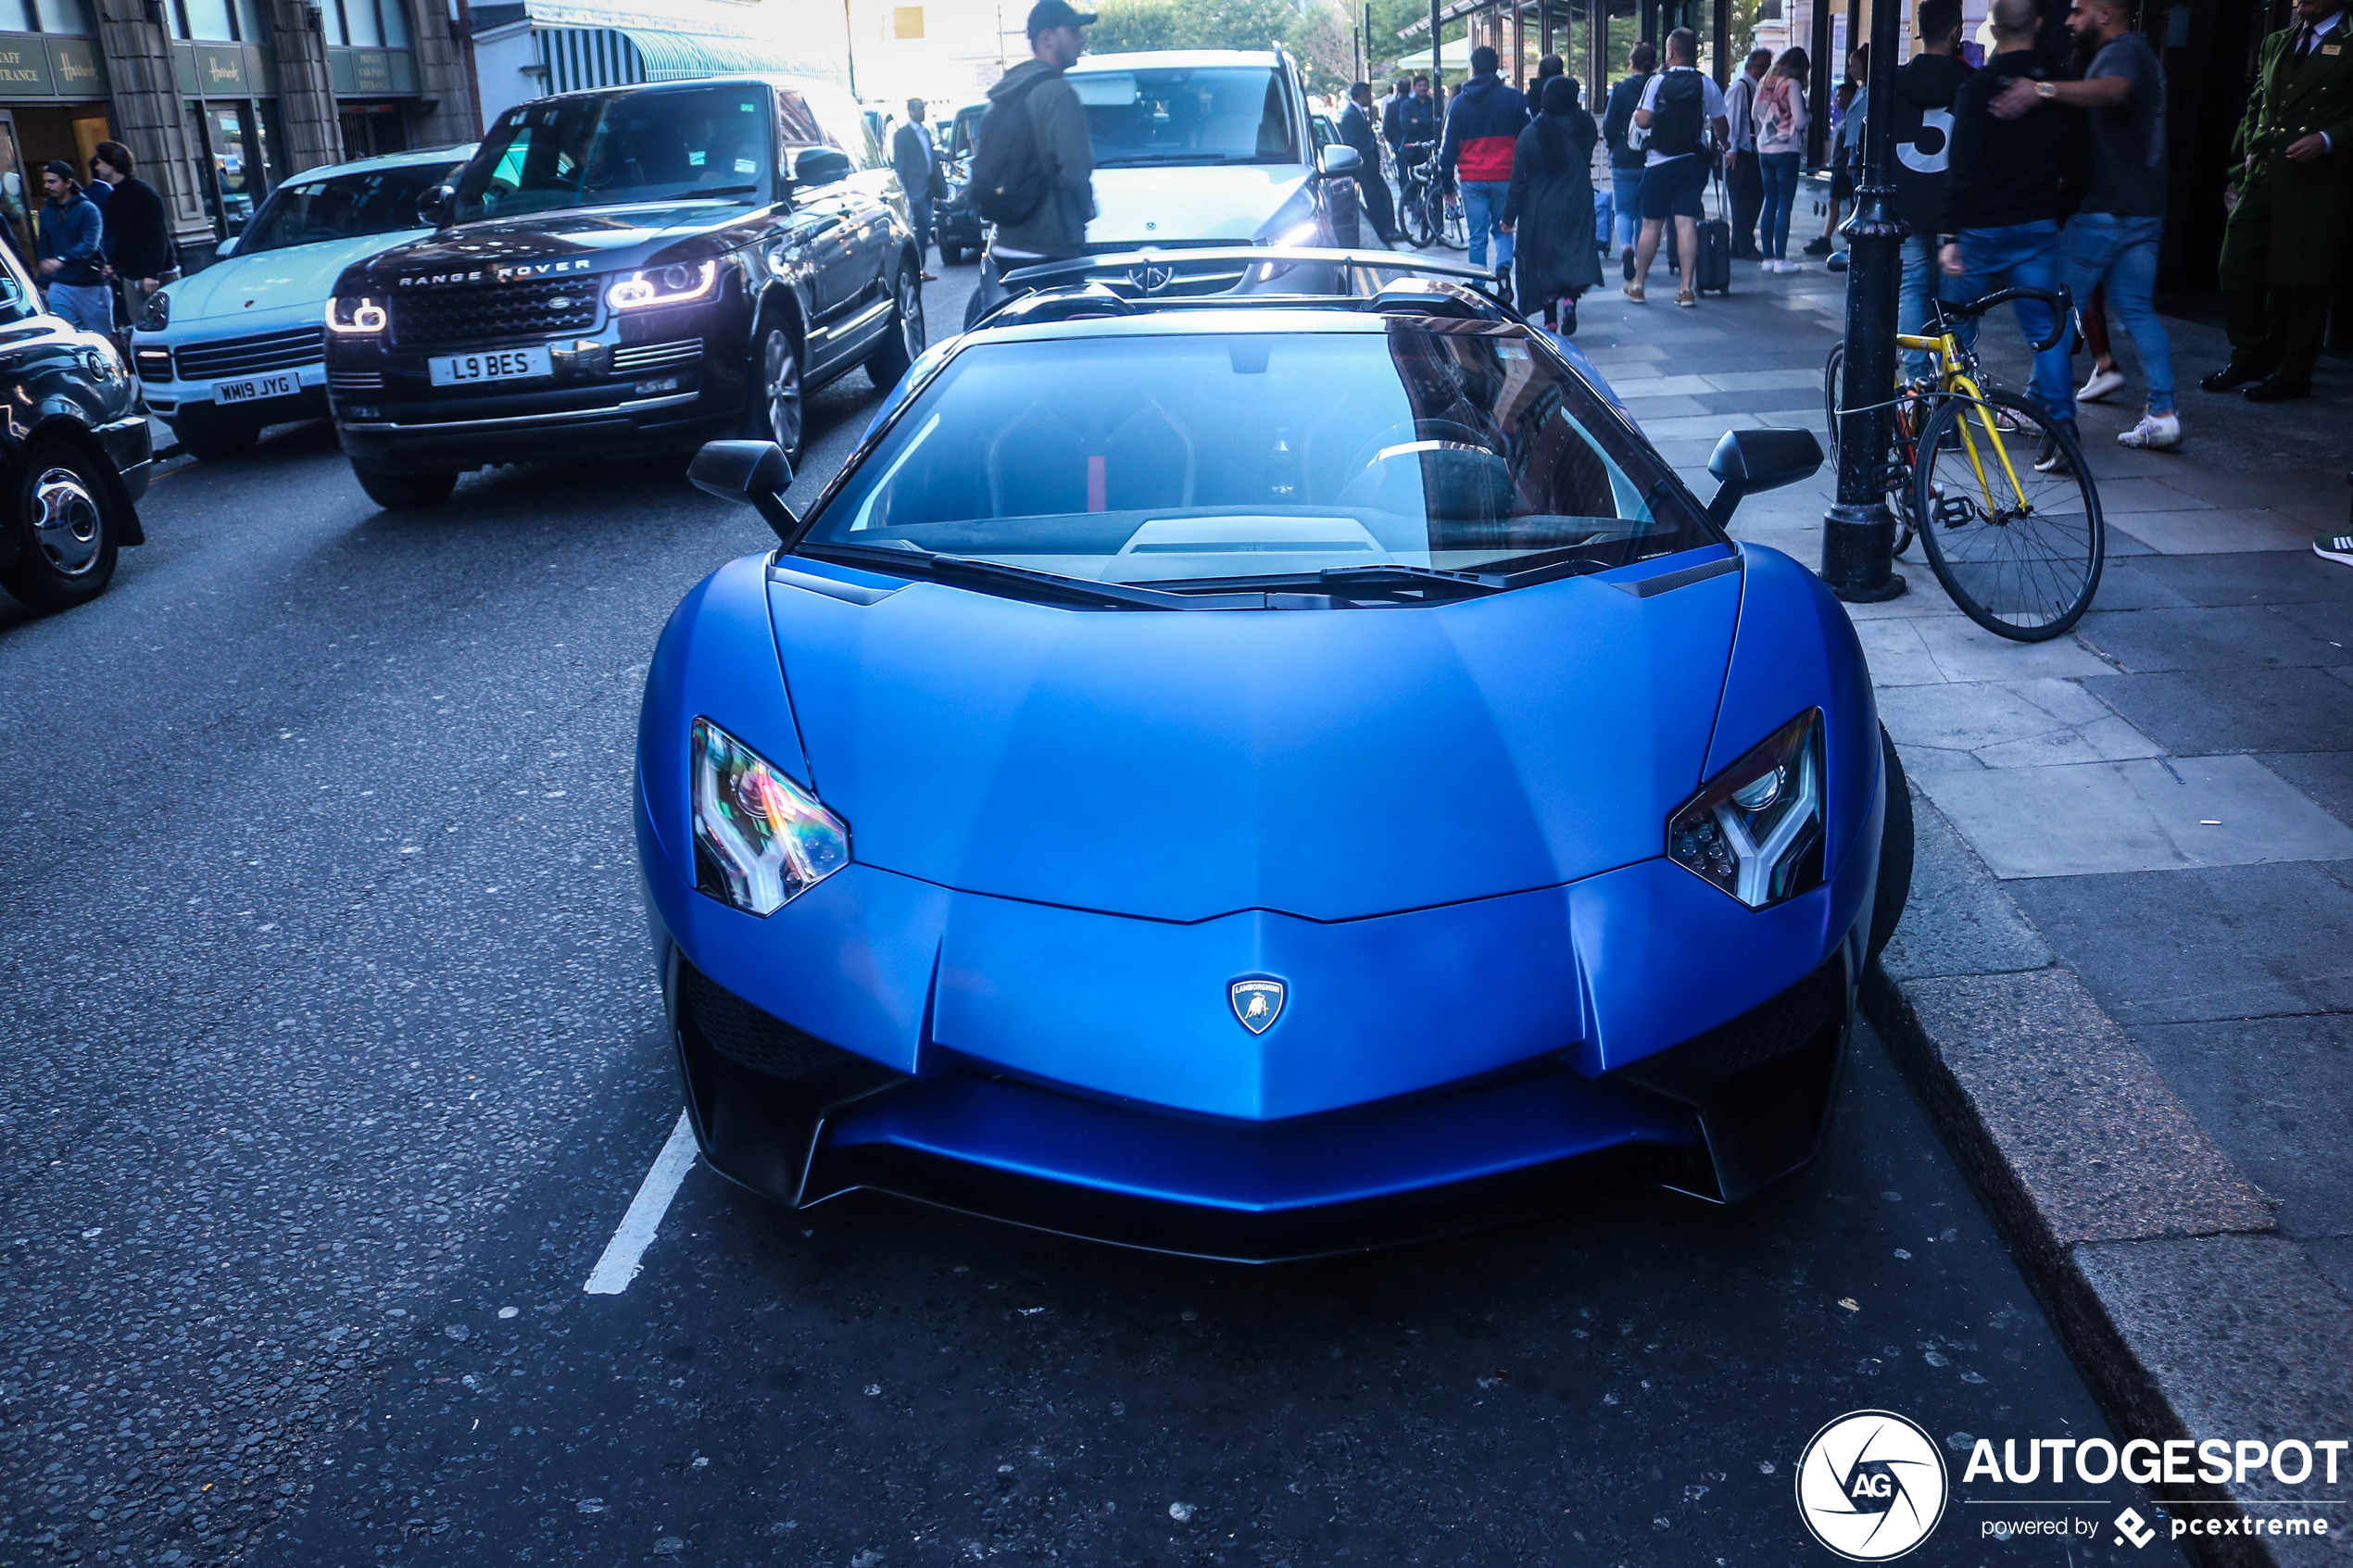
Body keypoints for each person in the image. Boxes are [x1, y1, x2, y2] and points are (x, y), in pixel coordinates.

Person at [1990, 0, 2178, 444]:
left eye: (2078, 11)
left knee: (2056, 307)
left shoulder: (2122, 53)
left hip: (2104, 210)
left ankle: (2039, 408)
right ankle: (2164, 413)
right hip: (2143, 211)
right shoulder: (2143, 53)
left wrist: (2043, 90)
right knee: (2136, 310)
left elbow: (2113, 91)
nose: (2070, 21)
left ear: (2106, 12)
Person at [1941, 0, 2082, 470]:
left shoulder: (1977, 89)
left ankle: (1948, 420)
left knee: (1957, 324)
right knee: (2046, 331)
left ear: (1994, 29)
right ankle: (2062, 430)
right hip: (2037, 222)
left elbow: (1961, 166)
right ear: (2039, 25)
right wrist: (2055, 212)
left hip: (1980, 225)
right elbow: (2081, 163)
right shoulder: (2055, 90)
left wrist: (1951, 235)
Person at [2202, 0, 2351, 404]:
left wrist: (2327, 139)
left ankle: (2294, 371)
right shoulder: (2277, 41)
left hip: (2316, 180)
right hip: (2266, 172)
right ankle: (2251, 354)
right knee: (2236, 264)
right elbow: (2258, 99)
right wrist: (2251, 144)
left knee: (2301, 279)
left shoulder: (2349, 41)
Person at [968, 0, 1096, 328]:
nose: (1082, 39)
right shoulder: (1057, 93)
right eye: (1074, 31)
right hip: (1052, 250)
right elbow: (1076, 170)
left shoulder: (1007, 93)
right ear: (1048, 37)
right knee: (1063, 348)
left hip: (1009, 245)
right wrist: (1084, 215)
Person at [1889, 1, 1971, 375]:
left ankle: (1916, 378)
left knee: (1912, 287)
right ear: (1957, 31)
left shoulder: (1894, 81)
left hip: (1906, 198)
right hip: (1953, 203)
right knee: (1957, 297)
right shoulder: (1971, 83)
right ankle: (1955, 376)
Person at [1627, 28, 1729, 307]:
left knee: (1651, 225)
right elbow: (1721, 124)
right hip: (1693, 162)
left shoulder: (1657, 81)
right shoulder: (1706, 83)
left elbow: (1644, 121)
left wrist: (1638, 112)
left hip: (1659, 163)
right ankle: (1686, 289)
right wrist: (1726, 145)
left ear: (1670, 52)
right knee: (1686, 224)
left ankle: (1638, 285)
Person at [1504, 74, 1603, 333]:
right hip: (1578, 200)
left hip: (1541, 207)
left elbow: (1518, 182)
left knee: (1543, 263)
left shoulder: (1531, 133)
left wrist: (1508, 218)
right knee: (1574, 254)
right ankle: (1570, 300)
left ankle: (1550, 321)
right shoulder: (1585, 125)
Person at [1439, 44, 1529, 278]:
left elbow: (1447, 148)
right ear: (1497, 66)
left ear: (1474, 68)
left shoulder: (1458, 104)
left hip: (1472, 179)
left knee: (1477, 237)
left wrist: (1446, 185)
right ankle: (1503, 268)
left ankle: (1478, 287)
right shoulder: (1515, 98)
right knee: (1503, 229)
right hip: (1505, 175)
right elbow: (1529, 136)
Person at [89, 141, 172, 332]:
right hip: (131, 274)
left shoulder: (144, 193)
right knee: (140, 326)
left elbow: (158, 236)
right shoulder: (114, 197)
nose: (97, 167)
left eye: (101, 162)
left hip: (154, 273)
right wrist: (114, 265)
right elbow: (123, 238)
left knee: (165, 323)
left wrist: (152, 274)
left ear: (113, 164)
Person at [1602, 42, 1658, 279]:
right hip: (1653, 157)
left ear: (1631, 63)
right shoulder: (1659, 86)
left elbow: (1609, 124)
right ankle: (1640, 258)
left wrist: (1613, 144)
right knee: (1646, 214)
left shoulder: (1621, 89)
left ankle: (1626, 247)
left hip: (1624, 157)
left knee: (1624, 210)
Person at [35, 161, 109, 334]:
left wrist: (62, 260)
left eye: (52, 181)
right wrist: (43, 283)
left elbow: (89, 246)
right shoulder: (46, 213)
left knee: (102, 336)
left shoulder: (88, 209)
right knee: (67, 335)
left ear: (68, 183)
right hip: (60, 285)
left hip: (90, 284)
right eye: (45, 182)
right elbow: (45, 250)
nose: (47, 186)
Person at [1754, 48, 1811, 271]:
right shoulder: (1792, 85)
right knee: (1784, 205)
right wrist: (1809, 116)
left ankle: (1767, 259)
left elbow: (1754, 115)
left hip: (1765, 148)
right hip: (1787, 149)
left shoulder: (1764, 83)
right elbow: (1800, 121)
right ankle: (1781, 259)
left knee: (1770, 201)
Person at [892, 98, 949, 282]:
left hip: (929, 188)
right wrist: (906, 193)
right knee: (922, 227)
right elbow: (901, 165)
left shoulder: (925, 132)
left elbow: (930, 159)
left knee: (925, 227)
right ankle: (916, 268)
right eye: (918, 109)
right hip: (915, 191)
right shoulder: (902, 135)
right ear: (909, 111)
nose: (922, 112)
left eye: (923, 108)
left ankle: (919, 269)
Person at [1724, 46, 1773, 260]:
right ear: (1751, 66)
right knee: (1744, 201)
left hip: (1754, 152)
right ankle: (1745, 245)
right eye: (1763, 66)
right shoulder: (1741, 88)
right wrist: (1732, 150)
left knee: (1752, 199)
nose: (1766, 70)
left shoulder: (1758, 88)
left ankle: (1739, 244)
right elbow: (1732, 121)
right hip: (1743, 153)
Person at [1340, 82, 1400, 244]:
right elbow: (1352, 143)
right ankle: (1384, 231)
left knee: (1383, 195)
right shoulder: (1350, 115)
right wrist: (1367, 158)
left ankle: (1388, 229)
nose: (1370, 97)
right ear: (1361, 95)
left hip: (1370, 165)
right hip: (1365, 167)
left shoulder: (1357, 112)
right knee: (1376, 199)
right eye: (1368, 94)